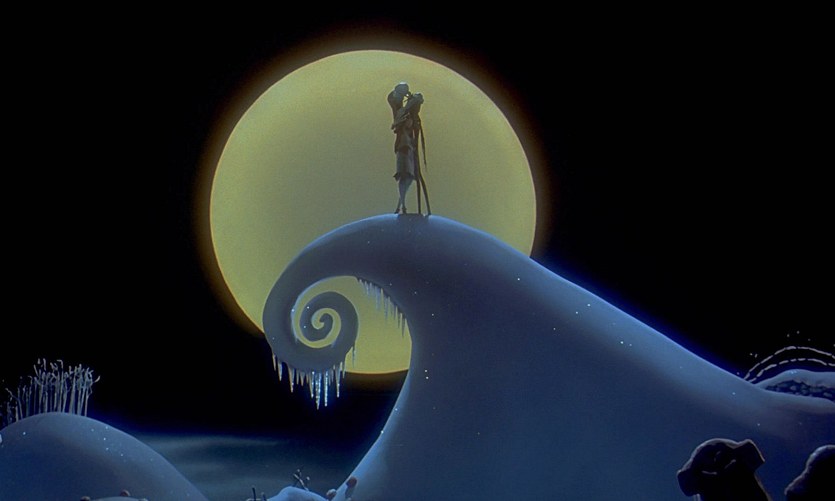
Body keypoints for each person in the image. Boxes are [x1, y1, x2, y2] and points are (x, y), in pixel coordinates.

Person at [388, 82, 429, 214]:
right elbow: (398, 119)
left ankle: (401, 205)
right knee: (404, 174)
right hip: (403, 147)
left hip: (409, 147)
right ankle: (402, 206)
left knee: (409, 176)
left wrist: (413, 103)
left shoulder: (409, 115)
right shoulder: (400, 111)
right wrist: (410, 103)